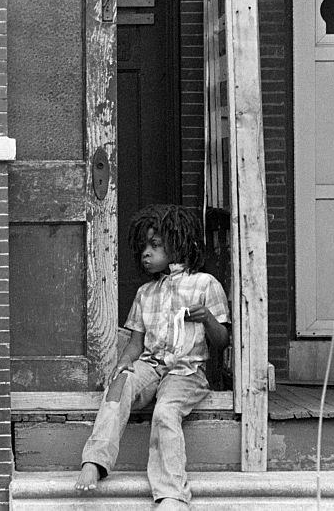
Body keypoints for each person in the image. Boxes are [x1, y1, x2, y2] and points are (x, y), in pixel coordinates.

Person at [74, 204, 230, 509]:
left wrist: (207, 318)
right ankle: (95, 460)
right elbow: (136, 343)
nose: (147, 253)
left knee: (165, 412)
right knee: (118, 388)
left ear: (178, 243)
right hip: (151, 366)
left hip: (186, 372)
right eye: (143, 246)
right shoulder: (145, 293)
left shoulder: (205, 284)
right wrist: (123, 365)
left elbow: (222, 341)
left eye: (155, 246)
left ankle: (171, 494)